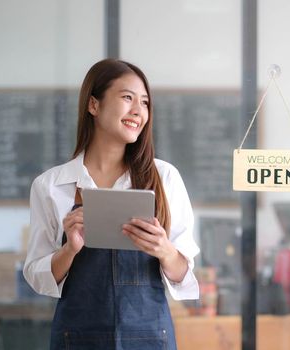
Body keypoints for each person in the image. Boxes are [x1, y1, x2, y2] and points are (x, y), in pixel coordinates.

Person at [23, 58, 200, 349]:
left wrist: (165, 251)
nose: (138, 111)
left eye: (144, 102)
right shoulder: (51, 185)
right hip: (76, 339)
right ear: (94, 105)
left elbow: (184, 276)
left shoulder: (164, 177)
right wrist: (70, 249)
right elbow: (37, 276)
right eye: (127, 98)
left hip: (149, 339)